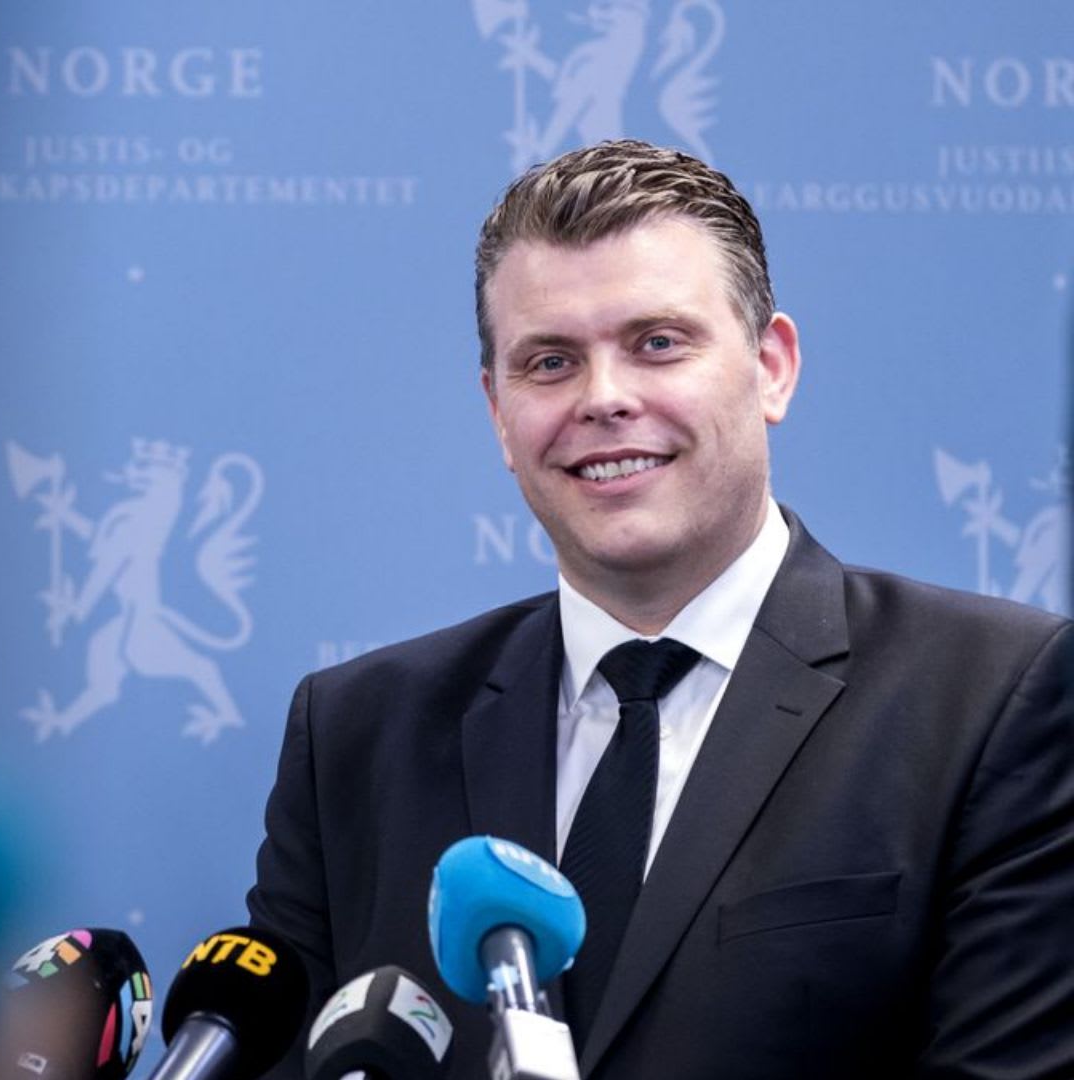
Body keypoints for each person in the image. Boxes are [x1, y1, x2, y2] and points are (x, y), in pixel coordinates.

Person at [247, 140, 1071, 1079]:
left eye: (658, 344)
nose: (604, 399)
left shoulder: (994, 700)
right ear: (498, 414)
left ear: (771, 366)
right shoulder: (355, 734)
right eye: (550, 361)